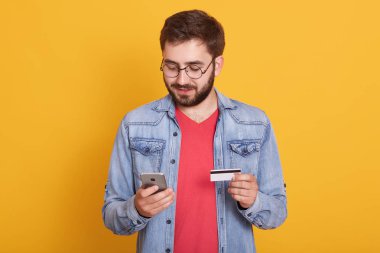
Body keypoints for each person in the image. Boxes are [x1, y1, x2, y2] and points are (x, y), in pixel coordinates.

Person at [102, 9, 287, 253]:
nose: (181, 79)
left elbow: (277, 212)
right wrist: (136, 209)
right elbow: (111, 215)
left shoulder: (255, 123)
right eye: (171, 66)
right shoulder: (135, 124)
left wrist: (254, 201)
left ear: (217, 65)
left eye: (194, 67)